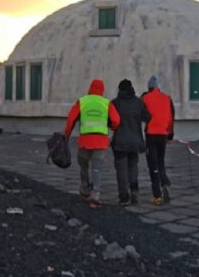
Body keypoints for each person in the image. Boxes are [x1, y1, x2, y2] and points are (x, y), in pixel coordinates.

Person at [64, 79, 120, 208]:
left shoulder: (82, 101)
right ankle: (95, 196)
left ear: (90, 88)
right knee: (96, 169)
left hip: (85, 141)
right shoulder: (106, 103)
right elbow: (116, 120)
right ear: (102, 90)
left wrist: (66, 134)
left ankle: (84, 189)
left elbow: (71, 118)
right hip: (101, 142)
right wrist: (113, 128)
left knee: (83, 165)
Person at [110, 79, 150, 206]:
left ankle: (123, 196)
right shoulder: (138, 102)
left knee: (121, 169)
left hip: (120, 142)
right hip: (135, 141)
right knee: (133, 166)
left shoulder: (115, 103)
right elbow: (147, 117)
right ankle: (134, 192)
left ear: (120, 90)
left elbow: (109, 121)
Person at [141, 75, 175, 205]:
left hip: (150, 134)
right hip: (163, 134)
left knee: (152, 164)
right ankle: (164, 182)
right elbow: (171, 118)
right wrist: (170, 135)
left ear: (149, 88)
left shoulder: (145, 98)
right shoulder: (167, 98)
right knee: (161, 161)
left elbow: (143, 116)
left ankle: (157, 195)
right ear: (157, 87)